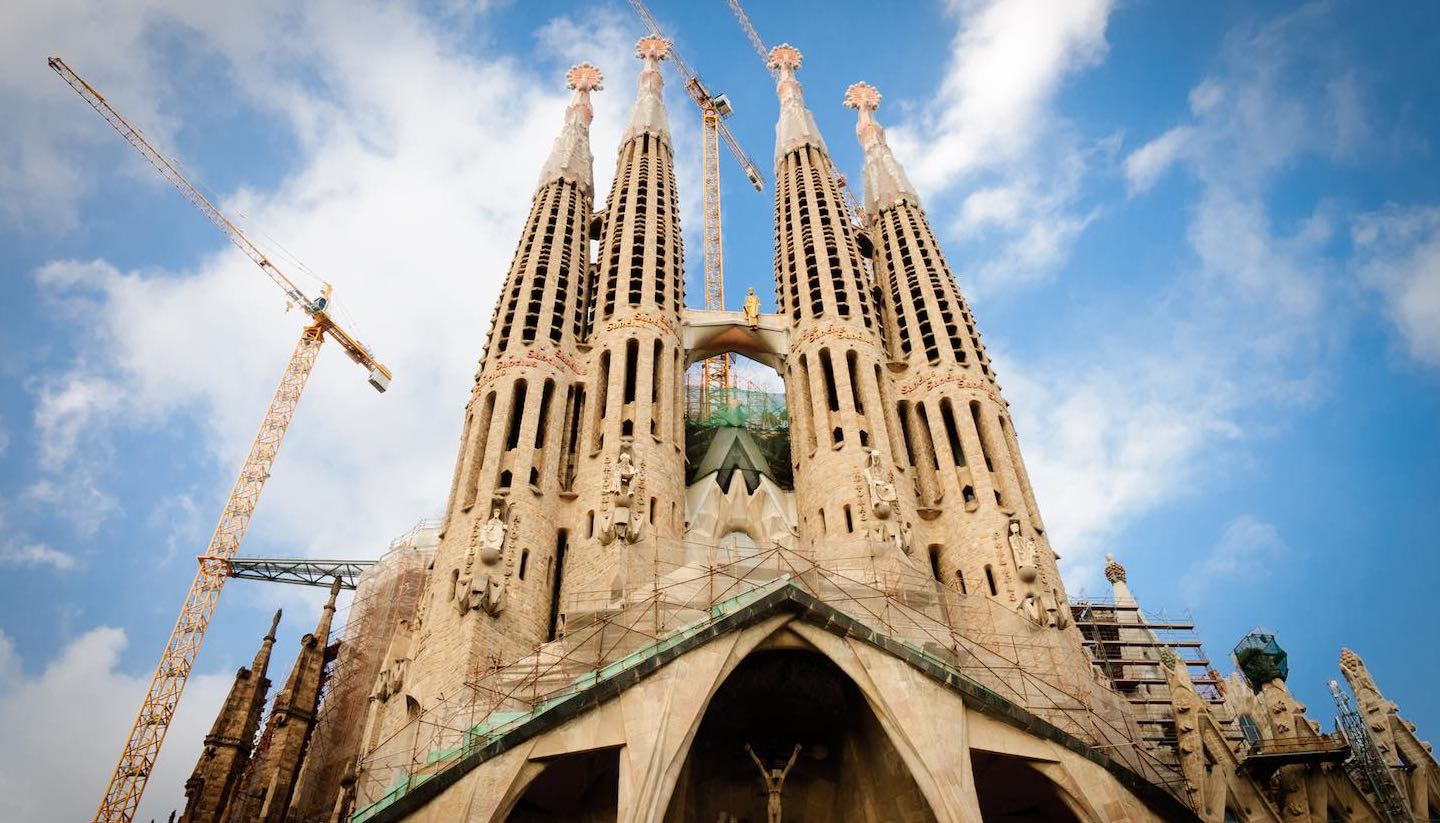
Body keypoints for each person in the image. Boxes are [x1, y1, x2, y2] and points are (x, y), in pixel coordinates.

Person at [744, 743, 802, 823]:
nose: (776, 774)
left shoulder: (780, 779)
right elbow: (759, 765)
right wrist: (750, 751)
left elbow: (789, 766)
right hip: (771, 806)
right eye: (775, 773)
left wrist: (796, 752)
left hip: (777, 806)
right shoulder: (769, 779)